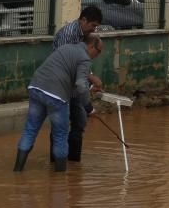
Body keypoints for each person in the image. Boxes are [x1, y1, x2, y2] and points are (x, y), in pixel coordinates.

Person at [14, 32, 103, 172]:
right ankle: (60, 180)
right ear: (91, 46)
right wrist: (89, 107)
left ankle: (17, 170)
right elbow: (80, 85)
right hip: (56, 96)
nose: (97, 55)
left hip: (36, 88)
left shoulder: (66, 48)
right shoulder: (84, 58)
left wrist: (89, 87)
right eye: (98, 52)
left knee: (30, 130)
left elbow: (70, 77)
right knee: (60, 136)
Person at [50, 6, 104, 162]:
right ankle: (56, 164)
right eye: (93, 25)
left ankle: (73, 164)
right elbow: (67, 64)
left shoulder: (84, 36)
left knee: (79, 121)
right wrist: (90, 79)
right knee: (60, 126)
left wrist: (89, 80)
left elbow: (81, 64)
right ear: (83, 20)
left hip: (74, 88)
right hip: (60, 86)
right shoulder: (68, 35)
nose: (94, 29)